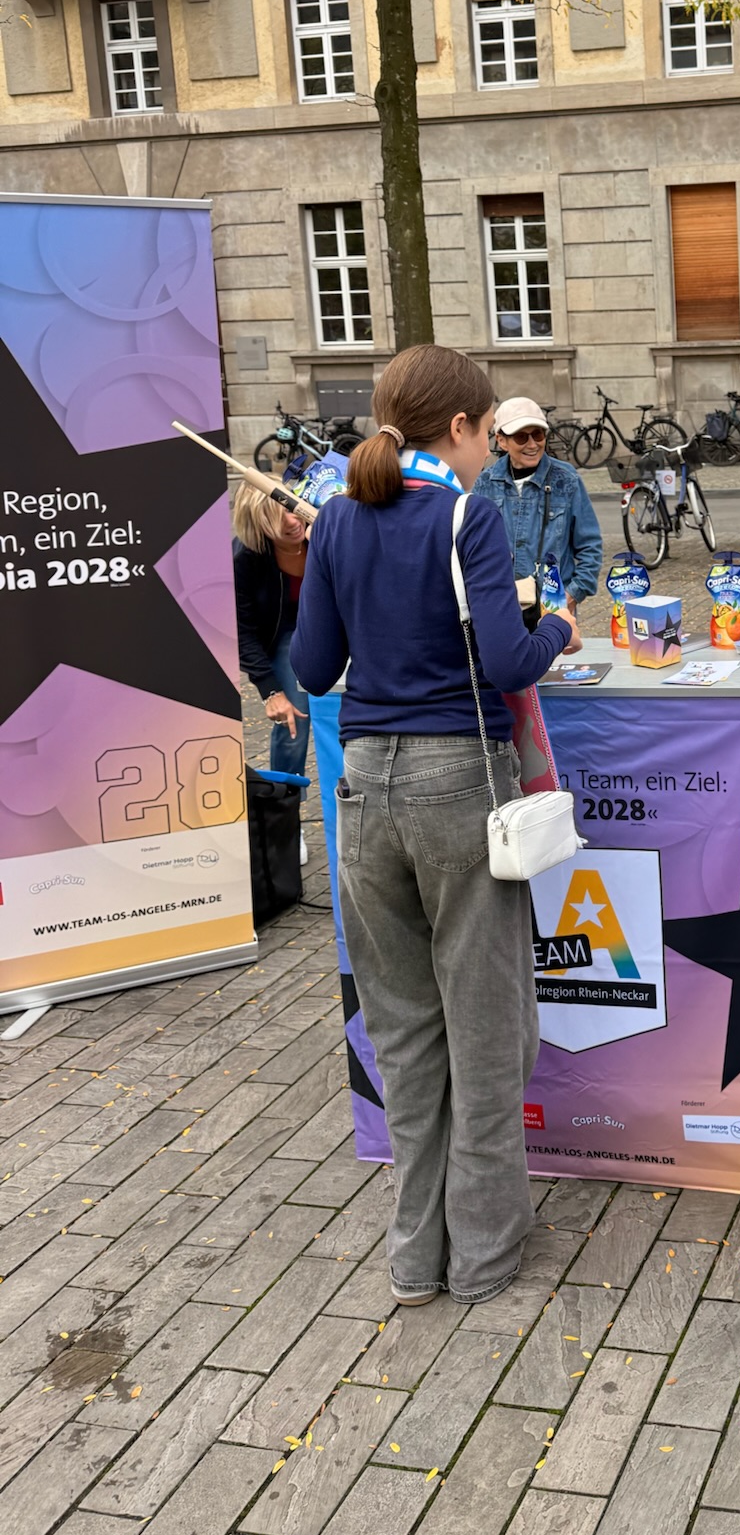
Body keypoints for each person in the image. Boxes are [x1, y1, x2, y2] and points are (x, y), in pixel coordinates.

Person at [291, 345, 580, 1308]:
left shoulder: (338, 518)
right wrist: (558, 629)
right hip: (460, 785)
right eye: (487, 429)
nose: (490, 446)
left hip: (364, 790)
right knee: (488, 1030)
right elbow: (508, 661)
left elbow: (314, 666)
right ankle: (486, 1251)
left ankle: (417, 1256)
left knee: (404, 1032)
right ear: (459, 427)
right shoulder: (468, 516)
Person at [232, 487, 312, 859]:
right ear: (259, 527)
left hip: (332, 629)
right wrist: (270, 691)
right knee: (293, 726)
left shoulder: (322, 534)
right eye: (277, 520)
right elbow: (243, 631)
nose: (293, 522)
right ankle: (286, 824)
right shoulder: (245, 559)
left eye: (293, 510)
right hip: (283, 636)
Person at [474, 396, 603, 609]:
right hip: (502, 606)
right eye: (521, 437)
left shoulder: (566, 480)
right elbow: (474, 550)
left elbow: (590, 546)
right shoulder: (485, 484)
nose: (532, 444)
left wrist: (571, 595)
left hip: (554, 605)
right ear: (501, 441)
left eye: (538, 434)